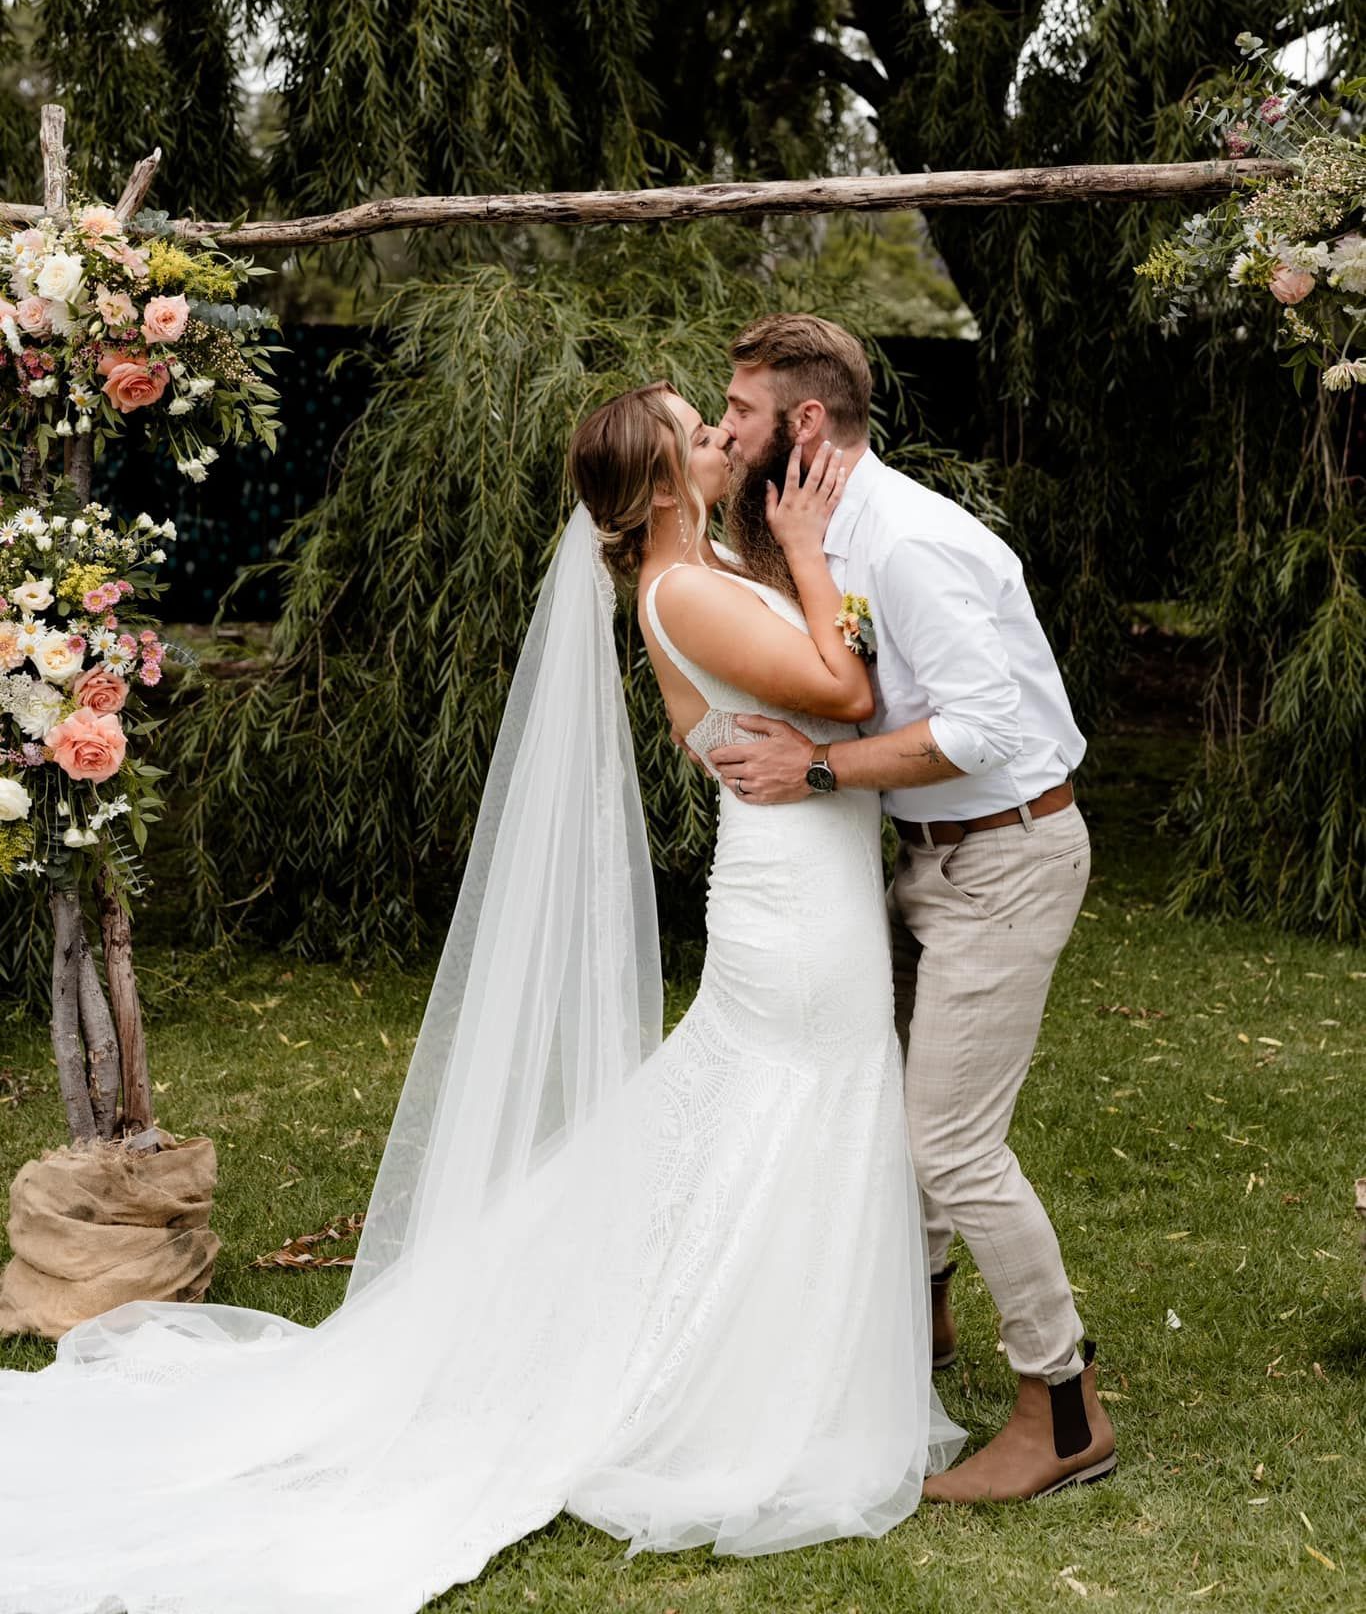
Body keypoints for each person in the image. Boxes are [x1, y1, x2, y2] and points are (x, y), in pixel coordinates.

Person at [0, 381, 960, 1614]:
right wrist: (822, 560)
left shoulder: (711, 560)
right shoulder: (684, 588)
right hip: (789, 895)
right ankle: (717, 1370)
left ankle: (773, 1346)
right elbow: (843, 694)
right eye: (699, 429)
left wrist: (803, 558)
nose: (724, 437)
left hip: (802, 869)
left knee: (779, 1105)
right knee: (784, 1097)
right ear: (664, 482)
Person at [709, 314, 1118, 1503]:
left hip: (1005, 857)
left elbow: (984, 729)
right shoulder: (825, 528)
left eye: (737, 413)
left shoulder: (913, 543)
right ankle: (917, 1333)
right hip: (926, 859)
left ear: (806, 423)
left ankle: (1063, 1404)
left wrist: (821, 771)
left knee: (950, 1139)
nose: (724, 432)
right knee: (895, 1108)